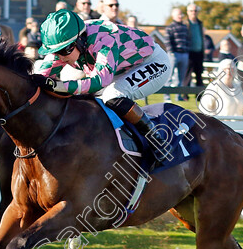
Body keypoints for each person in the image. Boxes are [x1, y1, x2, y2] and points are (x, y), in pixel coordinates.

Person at [36, 9, 173, 164]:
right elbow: (39, 77)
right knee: (83, 93)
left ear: (80, 40)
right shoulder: (67, 44)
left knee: (112, 95)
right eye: (55, 52)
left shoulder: (103, 39)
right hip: (121, 67)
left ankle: (158, 141)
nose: (60, 57)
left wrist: (60, 86)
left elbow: (99, 81)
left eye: (64, 50)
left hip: (152, 62)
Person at [165, 7, 191, 102]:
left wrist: (187, 50)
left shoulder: (185, 27)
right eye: (178, 14)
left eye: (181, 14)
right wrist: (171, 52)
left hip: (184, 54)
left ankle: (178, 96)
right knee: (169, 76)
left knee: (181, 78)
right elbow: (167, 41)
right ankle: (167, 96)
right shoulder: (170, 27)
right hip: (173, 54)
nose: (180, 16)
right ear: (173, 16)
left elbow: (188, 39)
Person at [184, 3, 205, 87]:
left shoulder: (200, 23)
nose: (193, 12)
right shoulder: (185, 23)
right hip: (189, 52)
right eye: (191, 11)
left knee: (199, 74)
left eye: (195, 11)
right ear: (187, 12)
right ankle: (185, 94)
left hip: (199, 52)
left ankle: (199, 94)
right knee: (187, 74)